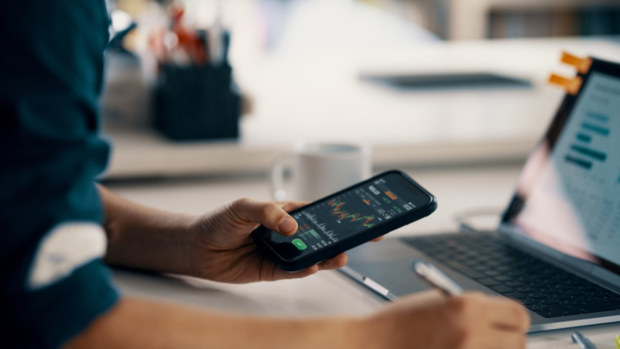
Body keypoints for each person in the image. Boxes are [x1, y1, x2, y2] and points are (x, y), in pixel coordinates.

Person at [0, 1, 530, 348]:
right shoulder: (47, 18)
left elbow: (22, 191)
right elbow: (58, 322)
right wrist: (370, 340)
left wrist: (182, 243)